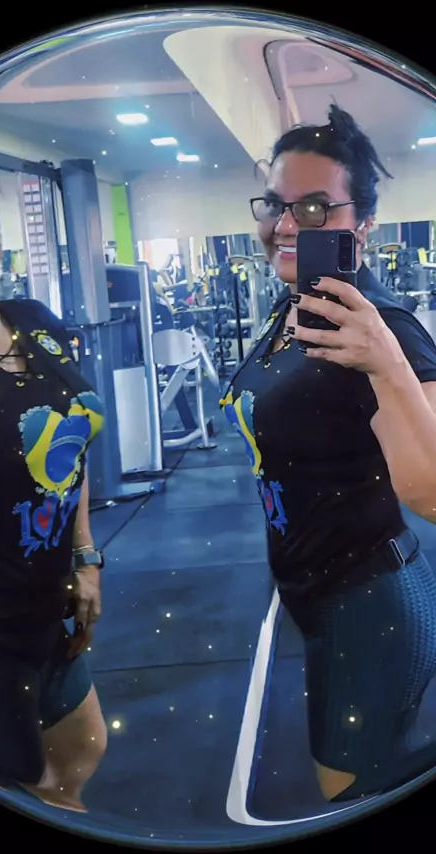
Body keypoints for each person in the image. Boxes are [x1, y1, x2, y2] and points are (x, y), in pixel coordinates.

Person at [221, 104, 436, 802]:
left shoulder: (385, 328)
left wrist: (387, 363)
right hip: (313, 592)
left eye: (314, 207)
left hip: (370, 601)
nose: (287, 226)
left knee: (350, 799)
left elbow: (434, 492)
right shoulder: (297, 307)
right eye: (276, 205)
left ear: (363, 223)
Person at [0, 157, 107, 811]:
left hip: (48, 605)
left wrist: (85, 555)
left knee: (82, 750)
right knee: (21, 790)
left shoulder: (35, 322)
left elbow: (72, 444)